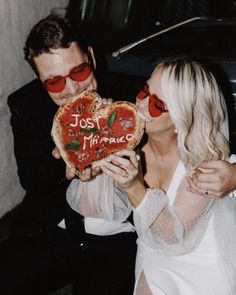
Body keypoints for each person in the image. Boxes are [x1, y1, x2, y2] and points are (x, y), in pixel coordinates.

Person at [67, 58, 236, 294]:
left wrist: (134, 187)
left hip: (200, 263)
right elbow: (91, 208)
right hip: (154, 254)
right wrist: (93, 155)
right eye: (145, 90)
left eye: (158, 105)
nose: (143, 104)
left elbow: (172, 240)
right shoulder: (129, 143)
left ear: (182, 118)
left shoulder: (202, 162)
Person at [0, 15, 137, 295]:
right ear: (41, 81)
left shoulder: (131, 95)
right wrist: (60, 153)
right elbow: (32, 180)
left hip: (116, 235)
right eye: (54, 83)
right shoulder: (25, 105)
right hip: (54, 226)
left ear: (92, 58)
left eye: (79, 72)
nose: (73, 89)